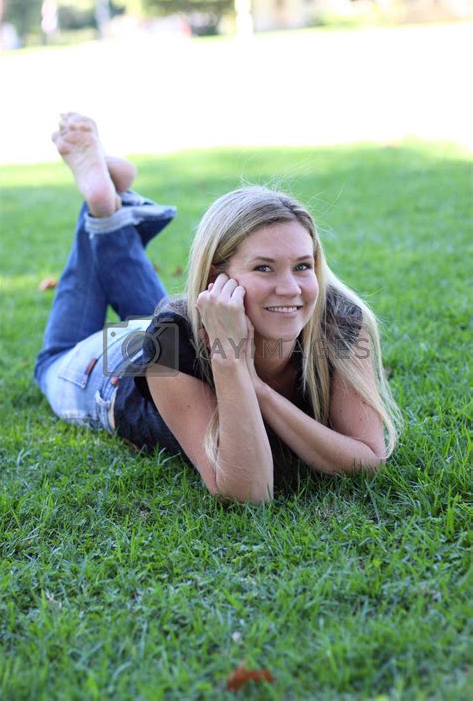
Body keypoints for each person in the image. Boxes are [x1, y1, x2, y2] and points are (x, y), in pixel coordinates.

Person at [34, 113, 402, 504]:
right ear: (215, 279)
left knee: (168, 322)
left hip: (182, 329)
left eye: (303, 265)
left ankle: (105, 207)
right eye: (264, 267)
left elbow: (367, 459)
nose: (291, 288)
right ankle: (102, 208)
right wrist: (230, 362)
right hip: (110, 370)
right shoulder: (170, 337)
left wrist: (255, 387)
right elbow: (248, 492)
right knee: (51, 362)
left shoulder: (339, 321)